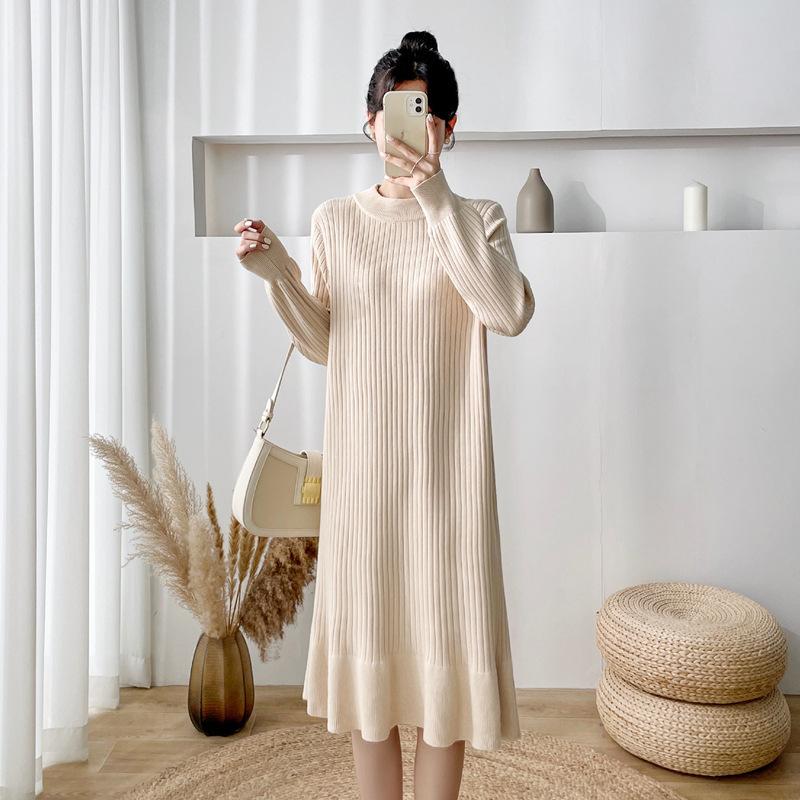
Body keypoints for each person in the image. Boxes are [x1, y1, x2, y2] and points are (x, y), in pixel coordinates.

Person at [234, 29, 534, 800]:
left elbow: (507, 311)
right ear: (368, 122)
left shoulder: (478, 217)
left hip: (450, 488)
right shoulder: (336, 220)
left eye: (421, 111)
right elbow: (325, 343)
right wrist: (277, 273)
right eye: (389, 110)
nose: (401, 126)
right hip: (364, 486)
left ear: (448, 126)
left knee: (445, 694)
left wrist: (435, 195)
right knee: (371, 699)